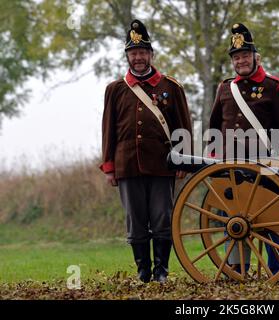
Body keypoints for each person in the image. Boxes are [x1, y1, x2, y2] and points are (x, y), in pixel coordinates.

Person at [99, 19, 192, 283]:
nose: (138, 57)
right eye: (133, 53)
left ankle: (161, 271)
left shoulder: (170, 87)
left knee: (162, 218)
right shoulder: (115, 89)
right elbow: (108, 131)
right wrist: (109, 166)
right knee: (135, 221)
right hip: (127, 165)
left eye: (142, 52)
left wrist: (183, 160)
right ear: (128, 56)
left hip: (163, 165)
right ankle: (143, 270)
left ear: (151, 54)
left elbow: (183, 126)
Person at [209, 23, 279, 275]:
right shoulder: (225, 88)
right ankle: (237, 268)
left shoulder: (274, 86)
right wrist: (215, 160)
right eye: (237, 57)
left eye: (245, 56)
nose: (241, 61)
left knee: (271, 216)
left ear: (255, 57)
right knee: (234, 219)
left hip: (265, 164)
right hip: (232, 166)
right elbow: (214, 125)